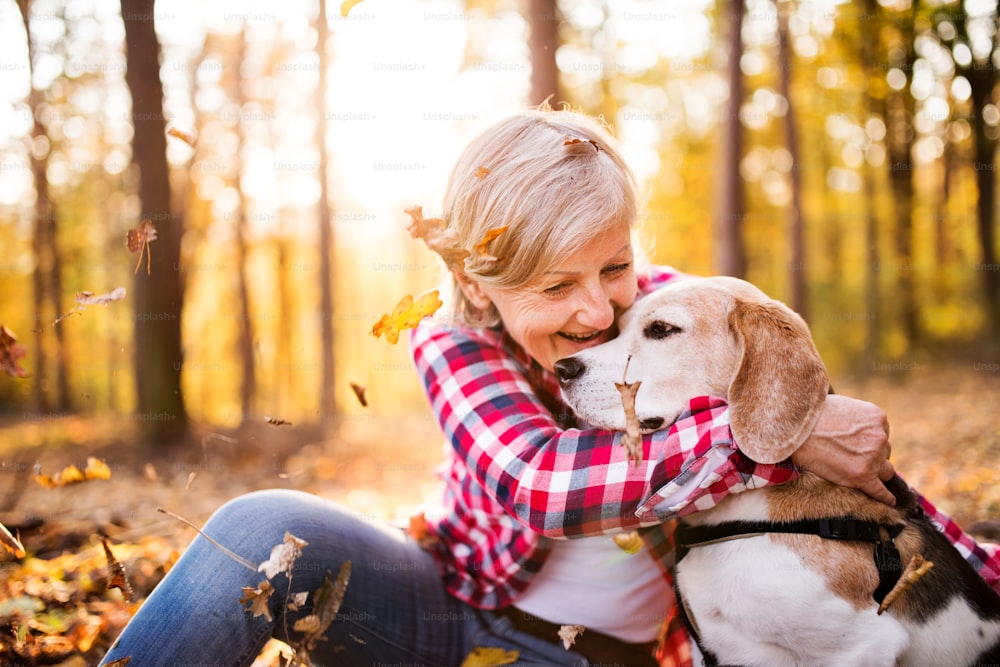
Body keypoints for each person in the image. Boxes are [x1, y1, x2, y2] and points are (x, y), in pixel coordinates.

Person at [98, 107, 1000, 667]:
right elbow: (538, 484)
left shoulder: (674, 313)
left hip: (605, 659)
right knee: (258, 530)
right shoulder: (451, 338)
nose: (597, 310)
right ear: (484, 282)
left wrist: (796, 431)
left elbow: (846, 486)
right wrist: (761, 436)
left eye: (612, 265)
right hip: (454, 617)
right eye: (553, 286)